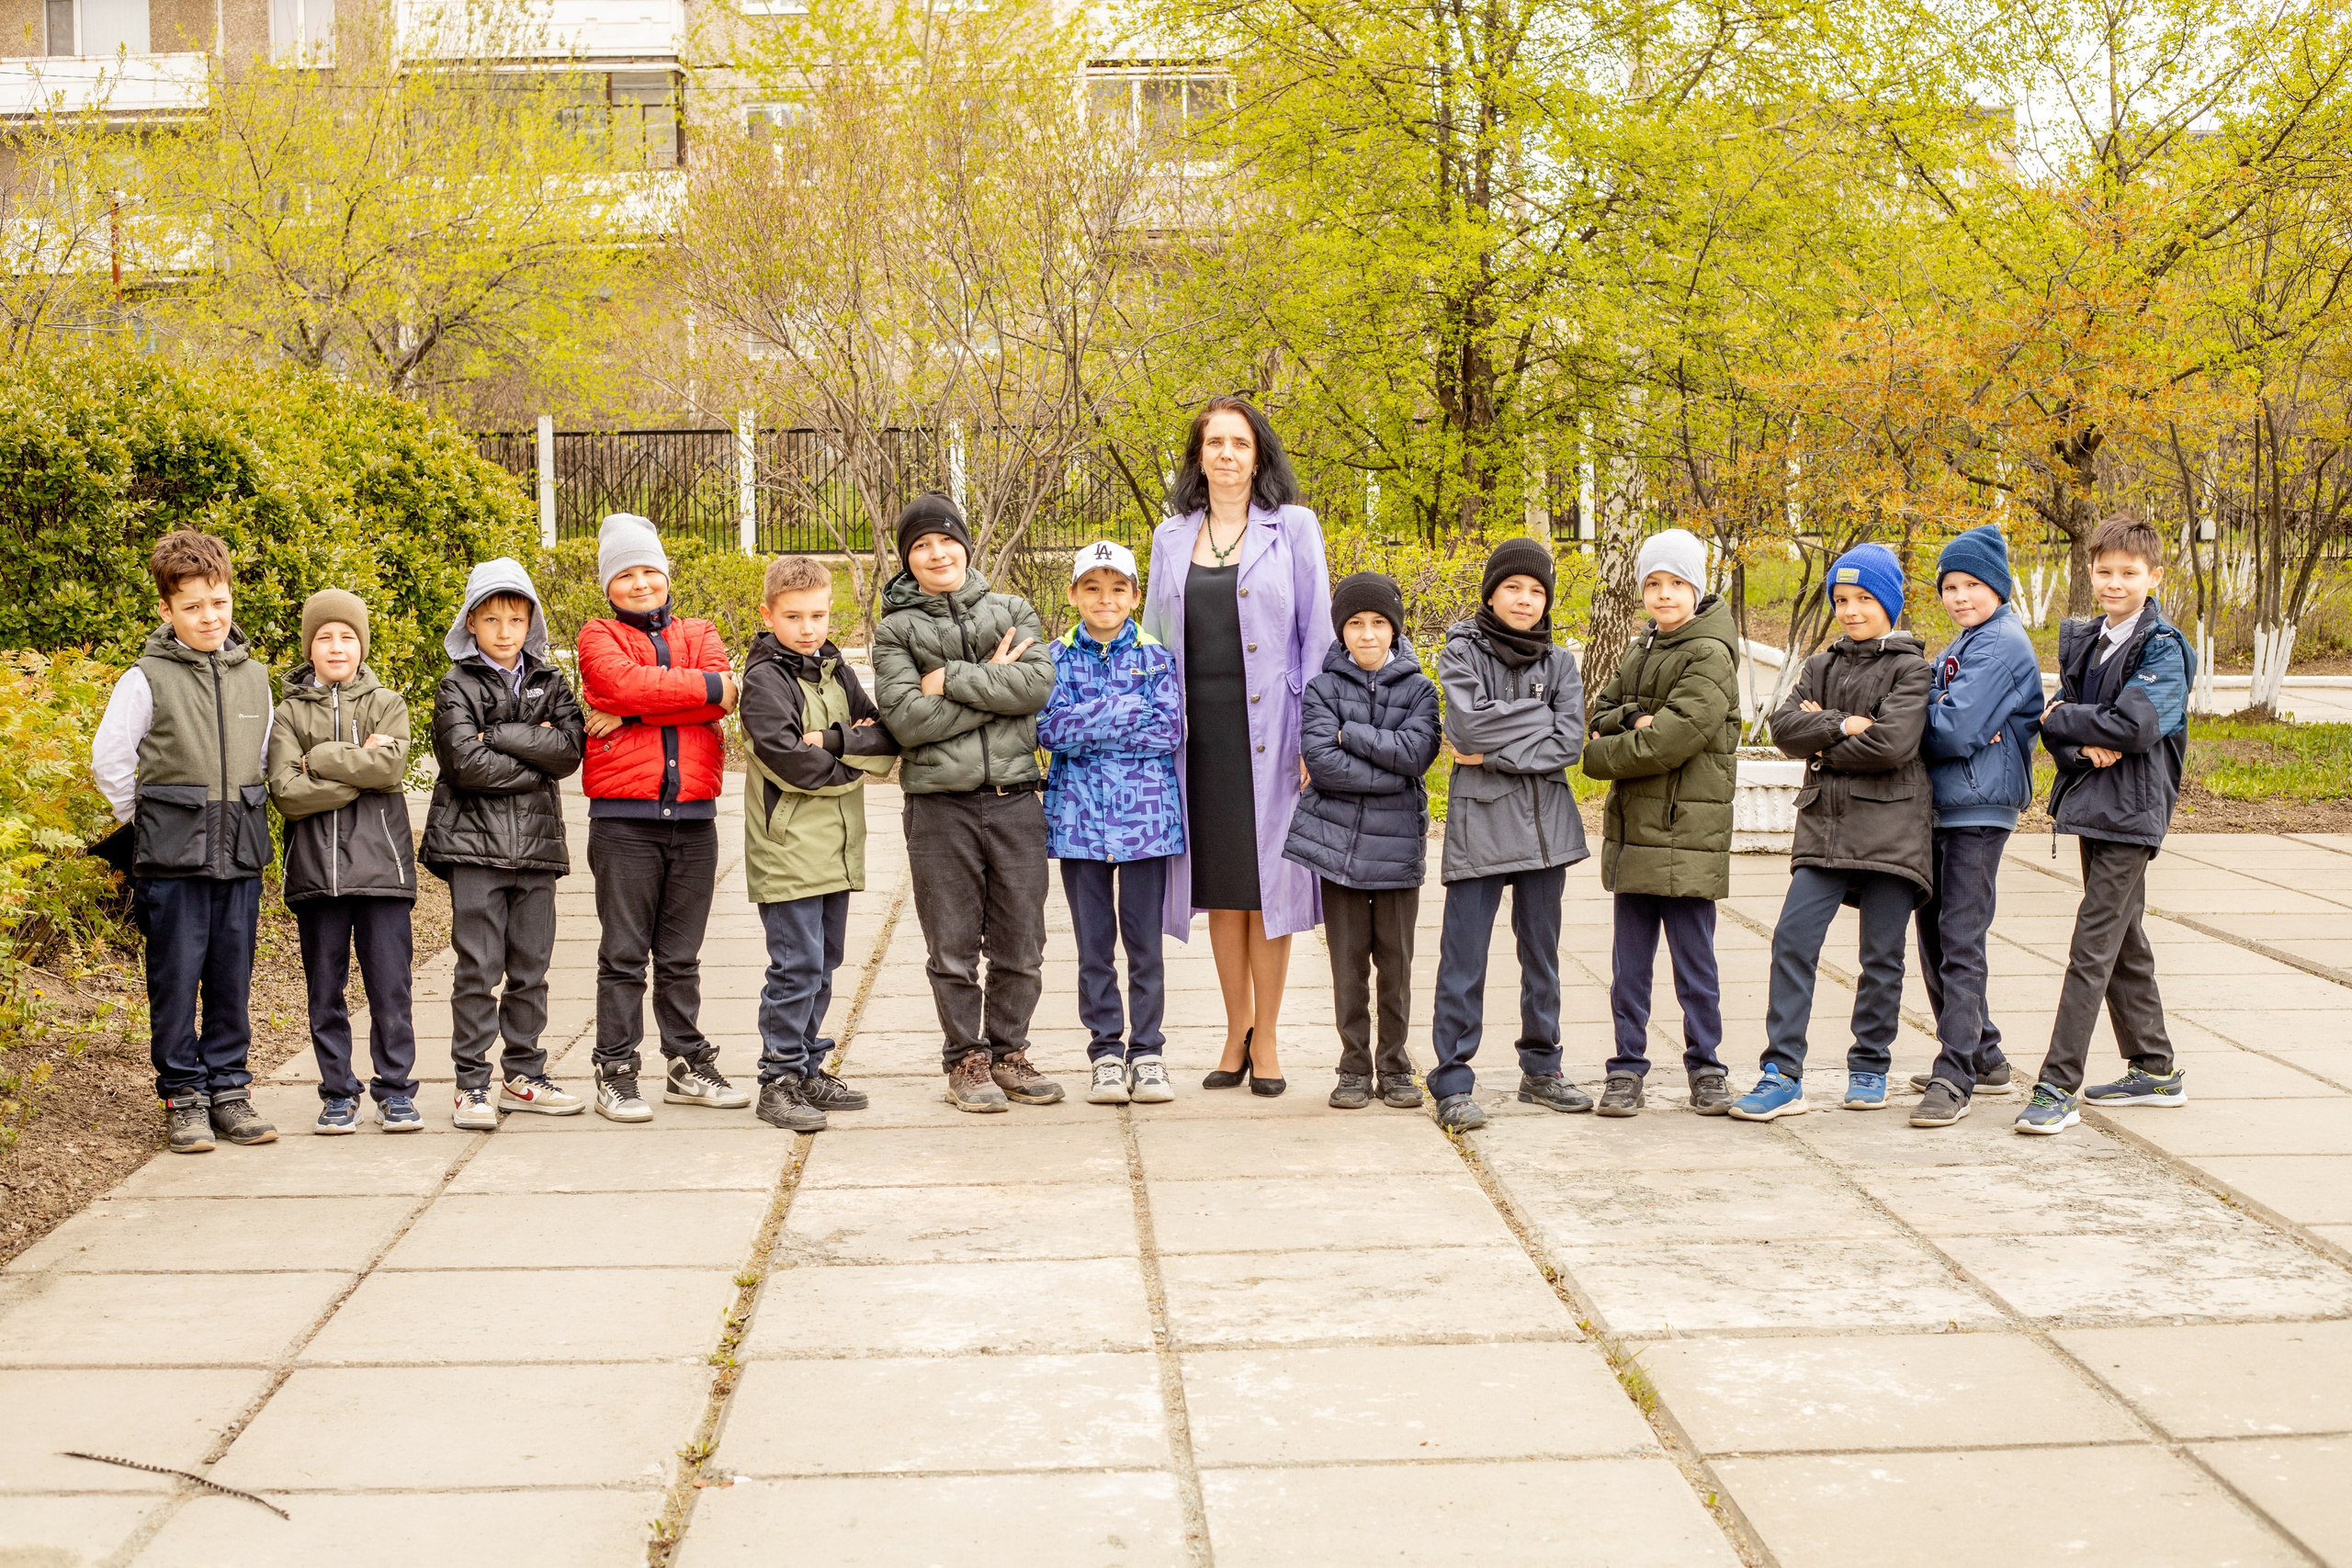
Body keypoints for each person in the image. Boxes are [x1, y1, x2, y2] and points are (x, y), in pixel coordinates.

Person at [1141, 396, 1333, 1098]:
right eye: (1213, 442)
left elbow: (1318, 635)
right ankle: (1235, 1029)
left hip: (1276, 732)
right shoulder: (1170, 537)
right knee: (1222, 890)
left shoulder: (1295, 528)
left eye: (1239, 443)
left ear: (1258, 455)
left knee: (1268, 889)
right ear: (1198, 456)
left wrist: (1317, 730)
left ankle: (1271, 1037)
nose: (1226, 454)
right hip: (1202, 737)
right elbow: (1156, 641)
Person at [870, 492, 1061, 1114]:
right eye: (921, 545)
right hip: (939, 806)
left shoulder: (1011, 609)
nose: (936, 552)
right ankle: (966, 1060)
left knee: (1022, 943)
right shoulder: (896, 629)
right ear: (907, 558)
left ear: (965, 544)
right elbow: (907, 720)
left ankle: (1009, 1053)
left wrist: (949, 678)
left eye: (945, 539)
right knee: (951, 945)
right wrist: (990, 681)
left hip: (1015, 799)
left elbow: (1034, 686)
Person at [91, 531, 278, 1155]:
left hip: (239, 856)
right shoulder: (145, 679)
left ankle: (228, 1088)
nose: (209, 617)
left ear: (231, 598)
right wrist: (145, 826)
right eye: (193, 606)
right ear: (167, 611)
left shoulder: (256, 678)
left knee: (231, 975)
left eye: (218, 602)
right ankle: (183, 1095)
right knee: (175, 977)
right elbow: (111, 761)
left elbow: (260, 757)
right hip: (170, 862)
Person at [1731, 543, 1932, 1122]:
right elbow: (1782, 727)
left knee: (1881, 955)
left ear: (1889, 603)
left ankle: (1870, 1062)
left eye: (1864, 598)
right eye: (1842, 599)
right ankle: (1781, 1072)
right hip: (1824, 829)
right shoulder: (1820, 665)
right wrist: (1842, 723)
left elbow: (1893, 745)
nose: (1850, 610)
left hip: (1893, 832)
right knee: (1793, 941)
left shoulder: (1911, 669)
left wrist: (1821, 744)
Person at [2017, 514, 2196, 1136]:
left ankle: (2056, 1084)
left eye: (2129, 572)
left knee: (2091, 944)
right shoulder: (2088, 640)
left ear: (2154, 576)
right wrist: (2071, 732)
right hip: (2095, 804)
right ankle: (2155, 1066)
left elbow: (2135, 728)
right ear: (2090, 570)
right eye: (2105, 570)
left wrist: (2071, 719)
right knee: (2123, 937)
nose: (2115, 582)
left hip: (2133, 813)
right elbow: (2056, 724)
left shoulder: (2163, 647)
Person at [576, 513, 743, 1123]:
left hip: (695, 818)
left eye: (650, 570)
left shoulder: (701, 629)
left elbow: (728, 692)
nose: (641, 583)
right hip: (624, 821)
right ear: (608, 585)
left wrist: (637, 714)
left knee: (680, 955)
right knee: (623, 953)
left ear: (666, 574)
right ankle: (615, 1069)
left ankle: (686, 1061)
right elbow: (619, 685)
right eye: (626, 573)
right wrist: (689, 694)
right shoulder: (597, 635)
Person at [1425, 538, 1589, 1133]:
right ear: (1492, 592)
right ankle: (1452, 1077)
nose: (1525, 599)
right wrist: (1531, 727)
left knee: (1541, 957)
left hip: (1547, 826)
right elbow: (1465, 725)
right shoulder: (1461, 651)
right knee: (1463, 960)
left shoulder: (1562, 664)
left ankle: (1542, 1069)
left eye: (1537, 590)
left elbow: (1568, 743)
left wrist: (1489, 750)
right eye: (1514, 587)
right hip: (1480, 825)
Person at [421, 558, 587, 1131]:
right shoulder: (455, 684)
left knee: (531, 969)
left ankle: (524, 1075)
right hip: (473, 850)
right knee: (478, 969)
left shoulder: (551, 681)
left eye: (516, 619)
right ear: (471, 623)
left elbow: (568, 752)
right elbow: (464, 765)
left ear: (531, 622)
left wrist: (500, 737)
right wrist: (532, 756)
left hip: (537, 850)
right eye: (491, 619)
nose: (504, 630)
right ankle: (471, 1085)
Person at [1580, 529, 1740, 1119]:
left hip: (1686, 837)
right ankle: (1625, 1070)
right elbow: (1597, 713)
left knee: (1695, 965)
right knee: (1629, 967)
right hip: (1634, 836)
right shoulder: (1641, 649)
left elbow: (1669, 742)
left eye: (1676, 583)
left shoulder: (1711, 655)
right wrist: (1631, 718)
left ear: (1697, 588)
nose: (1664, 594)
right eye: (1653, 583)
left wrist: (1601, 753)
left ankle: (1707, 1068)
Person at [737, 554, 899, 1133]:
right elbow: (790, 763)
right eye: (795, 616)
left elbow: (884, 739)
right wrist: (848, 764)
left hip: (835, 847)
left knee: (824, 962)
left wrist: (830, 740)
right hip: (787, 850)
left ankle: (808, 1067)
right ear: (769, 614)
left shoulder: (835, 670)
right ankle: (777, 1079)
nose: (809, 628)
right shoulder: (763, 680)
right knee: (795, 965)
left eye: (819, 615)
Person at [1283, 570, 1441, 1111]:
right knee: (1347, 964)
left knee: (1395, 963)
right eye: (1355, 623)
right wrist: (1385, 756)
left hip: (1397, 850)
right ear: (1340, 630)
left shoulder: (1419, 688)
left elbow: (1419, 755)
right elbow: (1323, 764)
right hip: (1339, 850)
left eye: (1378, 623)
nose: (1368, 633)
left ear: (1395, 629)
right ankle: (1353, 1067)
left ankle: (1395, 1067)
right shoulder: (1322, 689)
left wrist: (1354, 735)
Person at [266, 590, 421, 1135]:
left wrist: (323, 760)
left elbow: (392, 766)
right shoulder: (286, 712)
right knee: (325, 993)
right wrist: (362, 770)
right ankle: (338, 1093)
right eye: (324, 637)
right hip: (317, 874)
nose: (336, 647)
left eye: (347, 637)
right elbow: (286, 790)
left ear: (362, 646)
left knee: (390, 990)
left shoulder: (388, 703)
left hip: (383, 872)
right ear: (310, 648)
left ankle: (396, 1091)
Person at [1906, 525, 2046, 1129]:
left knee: (1959, 937)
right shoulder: (1968, 640)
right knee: (1935, 933)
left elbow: (1950, 731)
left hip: (1978, 810)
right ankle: (1984, 1056)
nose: (1960, 595)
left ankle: (1955, 1072)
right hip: (1946, 804)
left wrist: (1924, 716)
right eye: (1951, 585)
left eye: (1974, 584)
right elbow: (1939, 716)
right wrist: (1934, 710)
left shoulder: (2001, 644)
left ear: (1999, 585)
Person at [1039, 540, 1185, 1108]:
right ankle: (1104, 1052)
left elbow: (1167, 731)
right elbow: (1049, 730)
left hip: (1147, 823)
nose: (1106, 600)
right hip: (1079, 824)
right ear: (1074, 594)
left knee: (1144, 944)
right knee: (1093, 945)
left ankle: (1147, 1053)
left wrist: (1090, 719)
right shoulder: (1053, 658)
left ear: (1134, 595)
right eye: (1093, 588)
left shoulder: (1157, 658)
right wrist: (1126, 709)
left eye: (1118, 589)